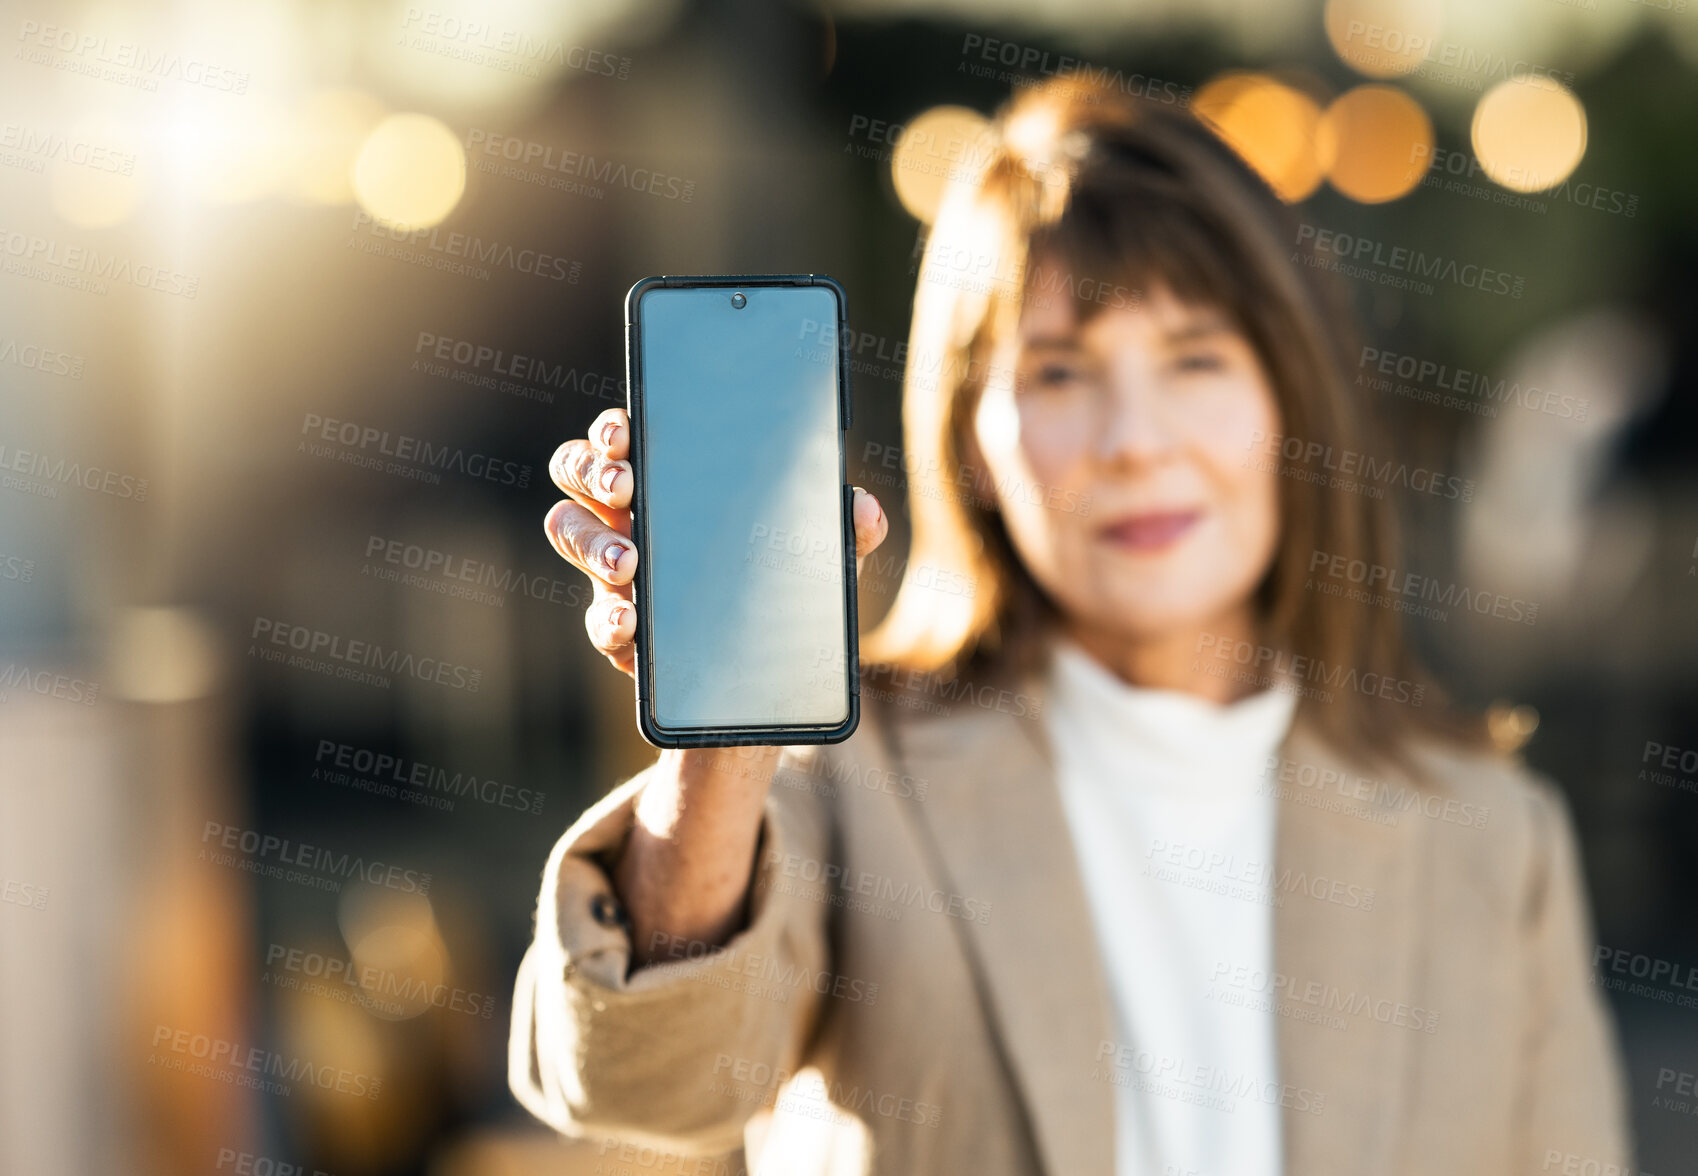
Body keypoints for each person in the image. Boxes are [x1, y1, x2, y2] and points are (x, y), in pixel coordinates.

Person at [511, 73, 1631, 1176]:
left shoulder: (1492, 833)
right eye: (1059, 372)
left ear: (1290, 401)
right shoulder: (845, 786)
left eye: (1195, 360)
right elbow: (642, 1086)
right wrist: (725, 745)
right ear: (969, 439)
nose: (1134, 441)